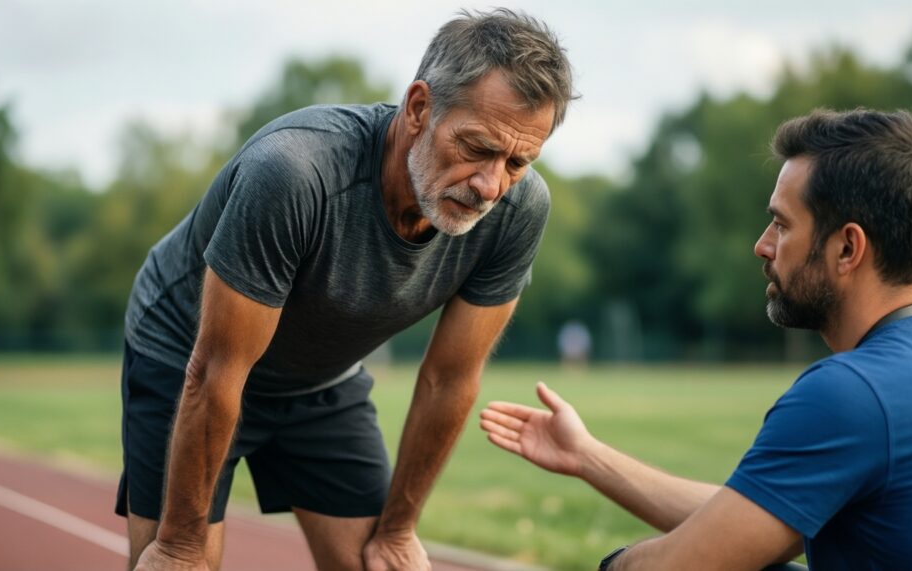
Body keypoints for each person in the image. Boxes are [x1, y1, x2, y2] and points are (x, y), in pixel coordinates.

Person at [117, 8, 576, 571]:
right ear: (418, 108)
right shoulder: (293, 173)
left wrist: (399, 529)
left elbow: (450, 378)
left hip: (320, 380)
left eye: (517, 162)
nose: (490, 185)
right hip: (189, 355)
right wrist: (182, 545)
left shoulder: (518, 209)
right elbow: (215, 371)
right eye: (476, 148)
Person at [481, 109, 912, 570]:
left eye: (782, 225)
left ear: (847, 248)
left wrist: (617, 564)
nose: (762, 245)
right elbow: (750, 515)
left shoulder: (851, 394)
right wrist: (587, 457)